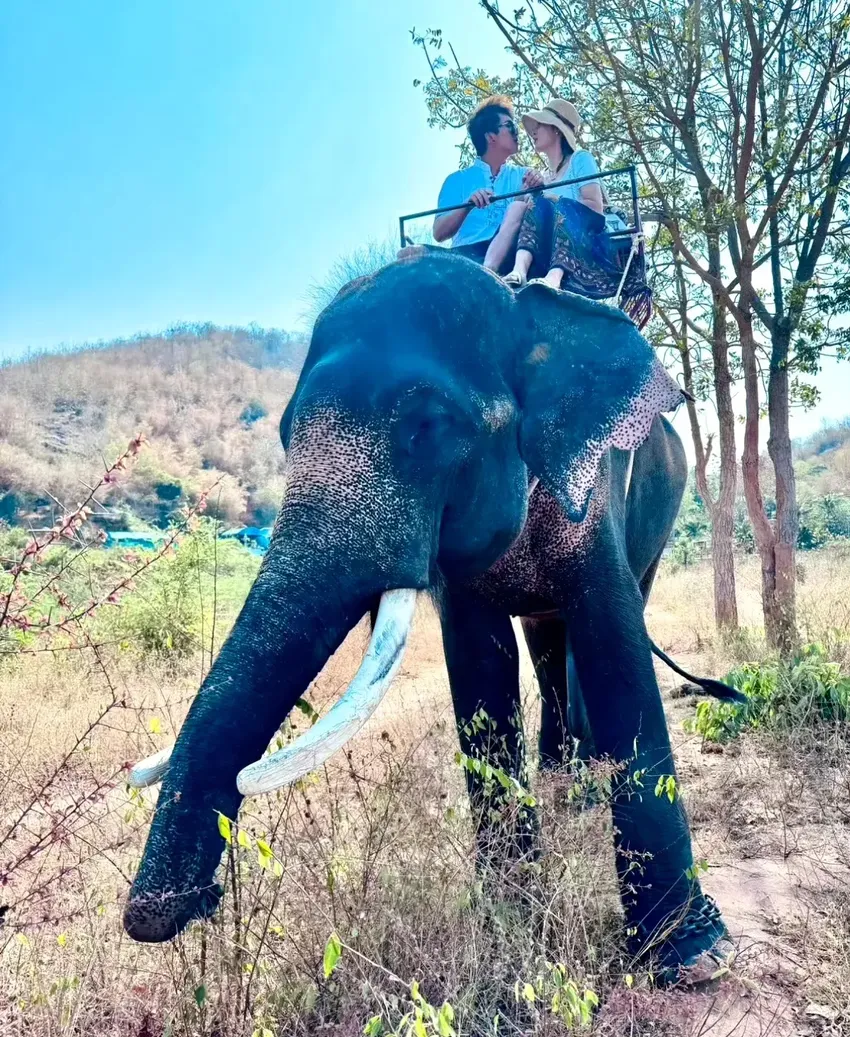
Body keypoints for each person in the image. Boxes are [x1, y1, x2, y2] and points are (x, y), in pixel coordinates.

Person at [430, 96, 542, 268]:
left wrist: (538, 186)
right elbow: (439, 233)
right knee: (412, 255)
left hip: (509, 255)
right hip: (465, 257)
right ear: (491, 137)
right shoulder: (456, 180)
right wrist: (467, 206)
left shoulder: (525, 175)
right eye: (509, 126)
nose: (517, 131)